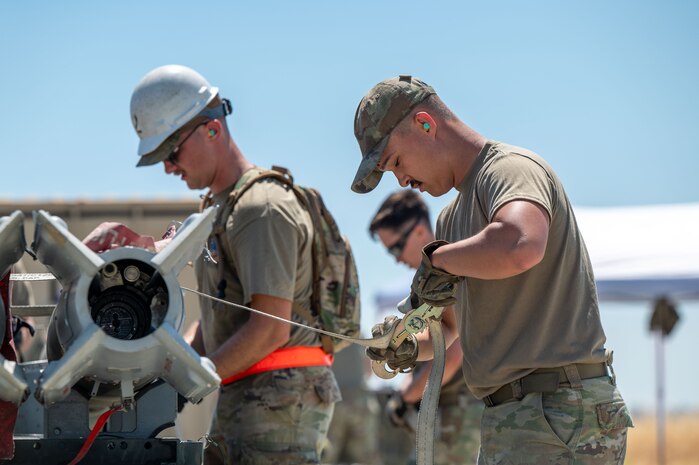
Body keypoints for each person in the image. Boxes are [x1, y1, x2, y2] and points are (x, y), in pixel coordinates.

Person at [350, 75, 633, 464]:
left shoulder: (510, 170)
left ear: (425, 124)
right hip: (512, 417)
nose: (402, 180)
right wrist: (408, 347)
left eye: (396, 161)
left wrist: (440, 260)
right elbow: (452, 329)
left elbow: (520, 244)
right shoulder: (450, 221)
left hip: (558, 410)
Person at [129, 65, 341, 465]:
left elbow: (268, 328)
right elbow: (218, 320)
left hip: (278, 403)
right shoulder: (223, 210)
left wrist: (187, 382)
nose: (168, 168)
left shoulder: (261, 209)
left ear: (212, 129)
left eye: (172, 151)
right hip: (251, 393)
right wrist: (162, 374)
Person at [369, 190, 482, 465]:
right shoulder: (428, 284)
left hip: (457, 416)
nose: (395, 258)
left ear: (419, 231)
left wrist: (404, 396)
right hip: (445, 414)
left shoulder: (447, 273)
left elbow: (452, 355)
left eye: (395, 247)